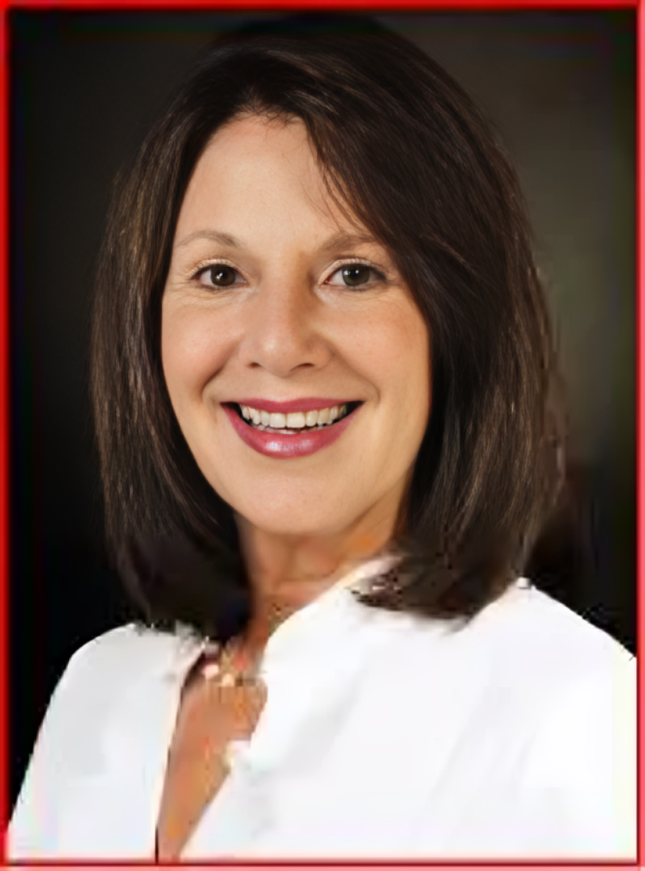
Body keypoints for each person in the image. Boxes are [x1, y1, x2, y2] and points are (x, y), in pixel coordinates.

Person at [9, 19, 636, 861]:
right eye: (219, 274)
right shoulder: (100, 686)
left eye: (353, 273)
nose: (278, 341)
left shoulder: (578, 714)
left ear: (457, 323)